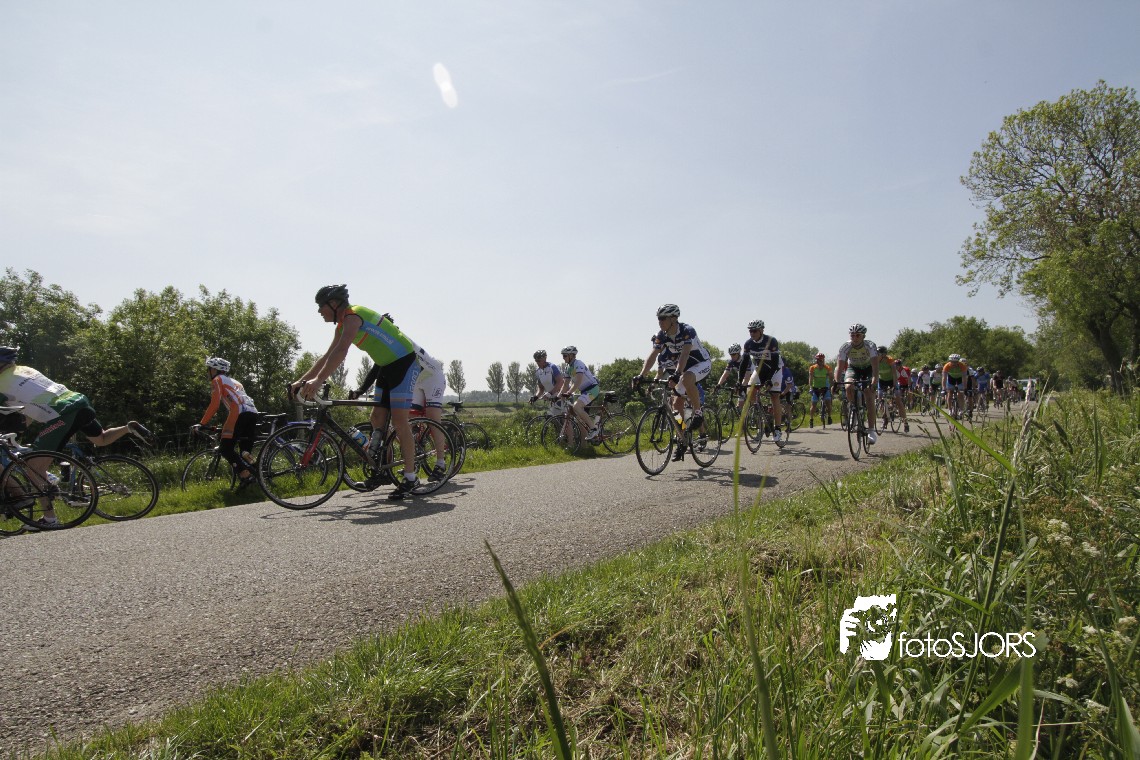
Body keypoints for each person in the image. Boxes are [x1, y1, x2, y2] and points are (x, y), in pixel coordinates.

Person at [291, 285, 423, 500]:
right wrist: (302, 380)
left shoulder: (353, 317)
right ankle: (383, 470)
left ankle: (410, 477)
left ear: (334, 304)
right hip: (386, 366)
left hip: (404, 363)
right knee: (377, 418)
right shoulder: (342, 325)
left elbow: (342, 351)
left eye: (321, 306)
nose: (319, 311)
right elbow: (327, 356)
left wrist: (319, 380)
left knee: (399, 421)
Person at [0, 345, 155, 526]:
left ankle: (49, 519)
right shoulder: (26, 370)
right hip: (79, 402)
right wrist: (19, 431)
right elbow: (32, 405)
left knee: (33, 467)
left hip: (61, 415)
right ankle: (128, 428)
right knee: (101, 439)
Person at [353, 335, 451, 482]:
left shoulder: (399, 343)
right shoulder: (385, 348)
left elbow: (378, 369)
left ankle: (440, 463)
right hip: (414, 379)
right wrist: (361, 390)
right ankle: (413, 455)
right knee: (404, 420)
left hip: (432, 377)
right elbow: (377, 368)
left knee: (432, 417)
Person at [634, 304, 712, 460]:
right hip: (684, 369)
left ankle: (698, 413)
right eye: (658, 318)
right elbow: (653, 355)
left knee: (686, 378)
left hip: (701, 363)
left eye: (663, 318)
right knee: (676, 405)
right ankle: (682, 438)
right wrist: (641, 375)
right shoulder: (661, 335)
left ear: (673, 319)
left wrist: (677, 373)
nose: (660, 322)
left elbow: (685, 353)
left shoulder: (687, 330)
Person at [193, 357, 259, 487]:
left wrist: (202, 423)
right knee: (244, 451)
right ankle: (259, 472)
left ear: (214, 370)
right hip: (253, 412)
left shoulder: (217, 380)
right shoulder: (236, 382)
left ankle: (246, 476)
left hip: (238, 413)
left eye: (208, 369)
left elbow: (215, 405)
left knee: (225, 448)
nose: (208, 372)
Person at [738, 319, 785, 445]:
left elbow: (774, 362)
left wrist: (769, 379)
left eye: (754, 331)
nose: (752, 333)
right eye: (750, 331)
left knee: (774, 396)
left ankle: (777, 429)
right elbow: (743, 363)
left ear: (761, 331)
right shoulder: (748, 344)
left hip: (775, 369)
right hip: (760, 369)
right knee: (750, 391)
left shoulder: (771, 341)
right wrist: (739, 381)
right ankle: (761, 413)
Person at [834, 323, 879, 444]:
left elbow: (875, 368)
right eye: (852, 335)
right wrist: (837, 382)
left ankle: (871, 431)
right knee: (848, 386)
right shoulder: (845, 347)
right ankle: (853, 410)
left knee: (869, 395)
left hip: (868, 369)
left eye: (857, 335)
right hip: (853, 368)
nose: (855, 337)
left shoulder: (870, 346)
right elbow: (839, 367)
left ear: (863, 336)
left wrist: (874, 381)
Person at [559, 346, 601, 442]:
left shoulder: (578, 364)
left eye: (565, 356)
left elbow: (578, 381)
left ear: (571, 355)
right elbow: (565, 384)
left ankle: (594, 429)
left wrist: (569, 392)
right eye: (563, 356)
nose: (563, 358)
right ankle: (584, 445)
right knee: (579, 419)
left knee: (576, 407)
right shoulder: (568, 368)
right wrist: (558, 396)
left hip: (592, 389)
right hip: (584, 391)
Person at [806, 352, 832, 428]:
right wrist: (810, 387)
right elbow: (810, 378)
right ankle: (811, 420)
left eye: (821, 360)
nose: (820, 362)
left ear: (823, 360)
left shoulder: (827, 368)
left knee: (828, 403)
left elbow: (831, 378)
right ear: (816, 360)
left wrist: (831, 386)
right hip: (816, 387)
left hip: (825, 387)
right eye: (818, 360)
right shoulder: (812, 368)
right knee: (813, 405)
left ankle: (829, 417)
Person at [942, 354, 968, 418]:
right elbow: (944, 378)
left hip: (960, 379)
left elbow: (964, 378)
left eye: (956, 362)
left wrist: (965, 388)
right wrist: (943, 388)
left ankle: (961, 410)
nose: (954, 364)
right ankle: (950, 410)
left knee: (960, 394)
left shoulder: (963, 366)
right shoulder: (946, 366)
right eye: (952, 362)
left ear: (958, 361)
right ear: (950, 361)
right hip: (951, 379)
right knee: (950, 393)